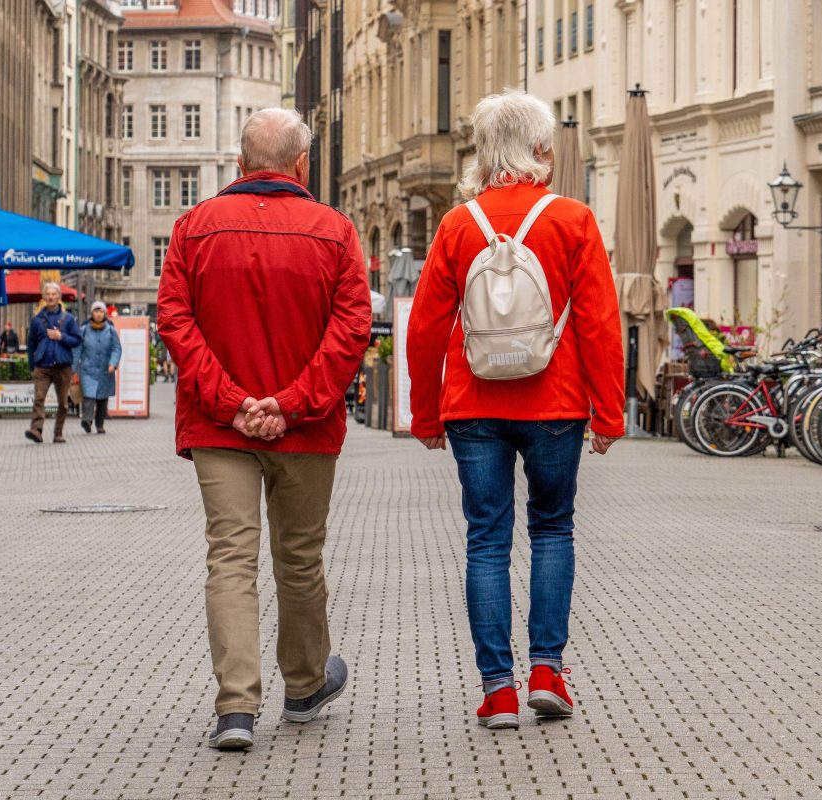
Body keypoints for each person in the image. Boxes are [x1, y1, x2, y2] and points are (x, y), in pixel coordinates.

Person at [407, 90, 625, 731]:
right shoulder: (573, 220)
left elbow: (424, 328)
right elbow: (599, 325)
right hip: (556, 402)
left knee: (486, 540)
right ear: (538, 150)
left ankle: (497, 690)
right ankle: (548, 672)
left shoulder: (457, 224)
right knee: (553, 529)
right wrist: (608, 415)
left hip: (473, 403)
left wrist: (425, 415)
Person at [157, 107, 371, 751]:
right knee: (299, 559)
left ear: (240, 163)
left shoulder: (193, 228)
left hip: (222, 427)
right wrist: (290, 402)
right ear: (301, 165)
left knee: (230, 558)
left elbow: (176, 321)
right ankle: (304, 686)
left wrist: (231, 402)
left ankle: (236, 709)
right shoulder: (334, 231)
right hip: (304, 428)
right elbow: (351, 328)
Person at [25, 282, 81, 444]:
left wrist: (61, 336)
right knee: (39, 399)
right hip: (42, 366)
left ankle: (58, 433)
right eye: (47, 294)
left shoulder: (69, 319)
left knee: (63, 404)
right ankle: (36, 430)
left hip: (63, 366)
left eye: (53, 294)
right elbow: (31, 345)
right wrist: (32, 367)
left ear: (58, 297)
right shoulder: (36, 320)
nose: (50, 297)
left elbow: (77, 340)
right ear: (43, 297)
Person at [73, 301, 121, 434]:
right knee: (88, 396)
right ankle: (87, 420)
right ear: (91, 313)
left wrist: (113, 363)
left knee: (102, 398)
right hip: (88, 369)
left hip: (106, 369)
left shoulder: (111, 330)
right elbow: (77, 350)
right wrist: (73, 370)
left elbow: (116, 348)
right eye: (96, 311)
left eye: (101, 312)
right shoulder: (84, 330)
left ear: (105, 314)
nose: (98, 314)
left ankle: (100, 424)